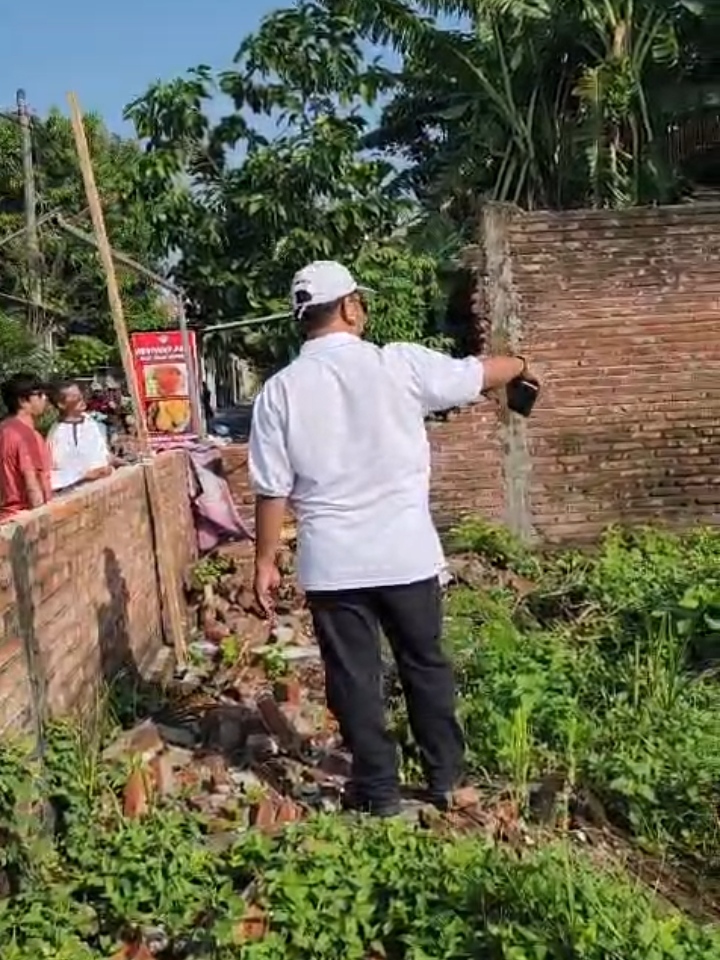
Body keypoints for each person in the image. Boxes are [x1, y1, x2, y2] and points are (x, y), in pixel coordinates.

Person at [248, 260, 535, 817]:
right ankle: (447, 780)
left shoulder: (278, 392)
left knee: (353, 678)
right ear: (352, 308)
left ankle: (378, 793)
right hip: (405, 556)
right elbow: (477, 373)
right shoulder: (399, 364)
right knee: (424, 664)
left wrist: (265, 560)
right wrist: (522, 362)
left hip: (333, 563)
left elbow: (270, 489)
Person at [0, 373, 52, 521]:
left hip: (6, 518)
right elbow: (32, 483)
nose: (45, 398)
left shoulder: (4, 429)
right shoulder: (27, 434)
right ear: (23, 401)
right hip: (24, 518)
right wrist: (42, 521)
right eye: (40, 394)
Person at [47, 380, 113, 493]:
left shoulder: (91, 424)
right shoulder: (56, 434)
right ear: (61, 404)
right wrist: (84, 475)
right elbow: (53, 473)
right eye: (75, 398)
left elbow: (103, 455)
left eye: (81, 396)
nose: (81, 400)